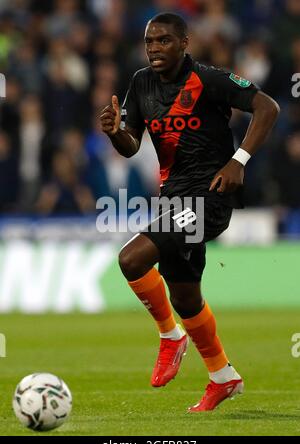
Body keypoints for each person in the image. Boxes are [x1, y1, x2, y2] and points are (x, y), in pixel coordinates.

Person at [99, 13, 279, 412]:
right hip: (173, 198)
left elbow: (267, 107)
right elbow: (131, 146)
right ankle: (222, 375)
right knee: (183, 293)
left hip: (211, 197)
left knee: (131, 259)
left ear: (185, 42)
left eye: (163, 41)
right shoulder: (140, 83)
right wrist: (115, 133)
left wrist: (239, 160)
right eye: (149, 42)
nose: (154, 49)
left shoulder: (211, 80)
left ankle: (170, 337)